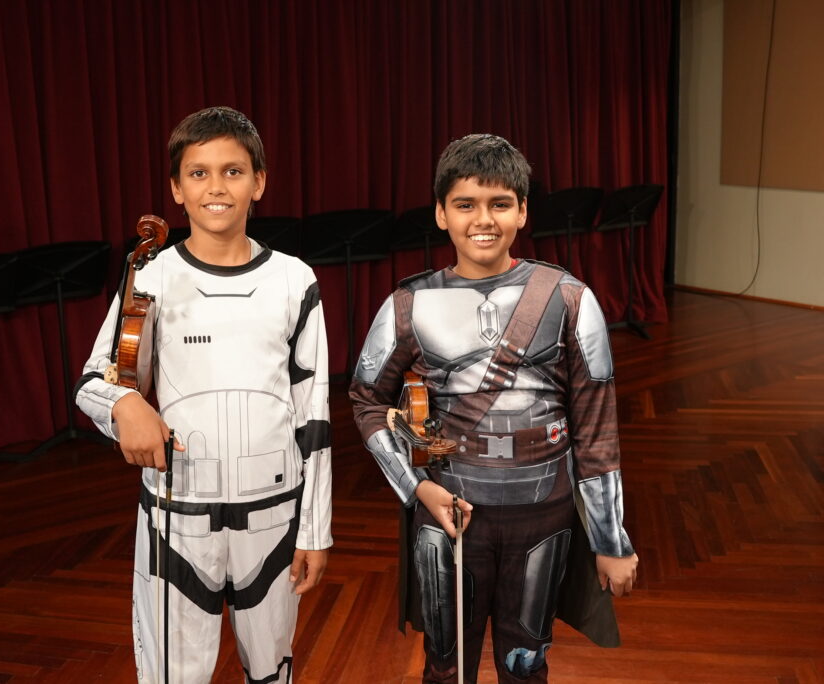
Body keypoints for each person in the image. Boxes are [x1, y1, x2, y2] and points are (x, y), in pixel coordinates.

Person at [349, 133, 638, 684]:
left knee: (525, 666)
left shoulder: (571, 298)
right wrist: (417, 489)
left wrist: (611, 541)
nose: (483, 219)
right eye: (466, 204)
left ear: (523, 210)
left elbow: (597, 429)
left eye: (500, 203)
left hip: (543, 512)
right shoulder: (408, 304)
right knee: (445, 668)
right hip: (448, 513)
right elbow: (366, 399)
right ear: (440, 213)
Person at [76, 106, 332, 684]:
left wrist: (316, 530)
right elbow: (94, 380)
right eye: (198, 173)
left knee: (272, 671)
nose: (216, 187)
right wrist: (124, 405)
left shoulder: (295, 280)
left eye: (233, 171)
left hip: (275, 513)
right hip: (177, 514)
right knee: (172, 675)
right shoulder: (150, 277)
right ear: (176, 188)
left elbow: (314, 417)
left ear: (259, 183)